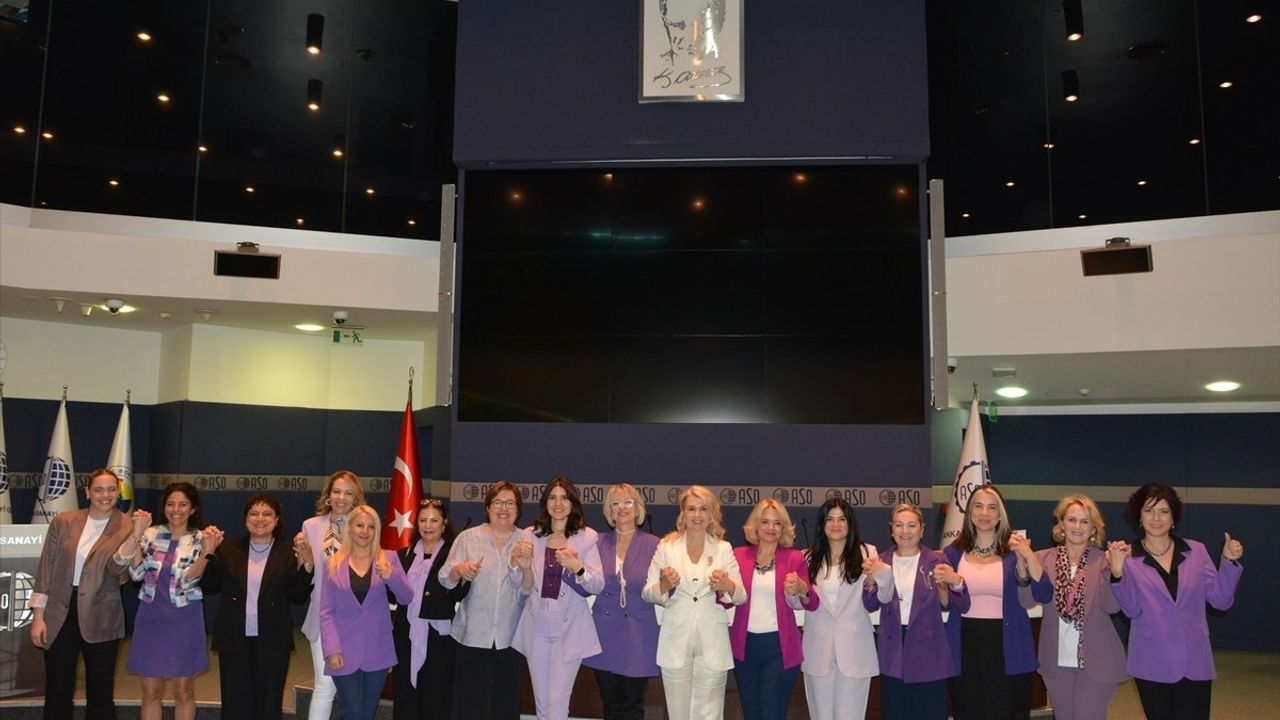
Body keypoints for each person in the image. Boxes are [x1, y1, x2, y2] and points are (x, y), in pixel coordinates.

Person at [1107, 482, 1243, 720]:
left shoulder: (1196, 551)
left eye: (1163, 511)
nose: (1156, 518)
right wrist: (1117, 573)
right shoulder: (1127, 557)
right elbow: (1131, 610)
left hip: (1195, 660)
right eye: (1148, 511)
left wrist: (1228, 561)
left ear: (1173, 518)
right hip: (1151, 662)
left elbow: (1220, 601)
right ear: (1139, 516)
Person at [30, 468, 134, 720]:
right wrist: (38, 616)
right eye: (98, 490)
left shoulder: (128, 525)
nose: (105, 495)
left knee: (100, 690)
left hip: (102, 615)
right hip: (60, 612)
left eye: (111, 489)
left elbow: (117, 569)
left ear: (118, 493)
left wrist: (137, 534)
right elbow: (46, 569)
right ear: (87, 492)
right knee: (58, 687)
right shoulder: (64, 522)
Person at [944, 484, 1051, 720]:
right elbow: (946, 603)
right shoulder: (953, 553)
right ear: (969, 513)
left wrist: (1027, 554)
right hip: (965, 645)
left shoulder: (1014, 551)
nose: (985, 513)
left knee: (1006, 711)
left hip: (1008, 645)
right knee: (968, 711)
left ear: (1001, 514)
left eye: (992, 508)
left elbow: (1043, 593)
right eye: (978, 506)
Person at [203, 494, 314, 720]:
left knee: (269, 704)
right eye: (254, 513)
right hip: (233, 638)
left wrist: (308, 564)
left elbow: (298, 595)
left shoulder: (288, 552)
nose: (260, 518)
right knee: (234, 704)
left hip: (273, 640)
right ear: (246, 519)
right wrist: (209, 551)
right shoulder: (228, 549)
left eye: (267, 514)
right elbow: (210, 586)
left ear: (276, 520)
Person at [642, 485, 746, 720]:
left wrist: (728, 585)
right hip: (675, 642)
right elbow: (648, 592)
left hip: (713, 643)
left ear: (712, 514)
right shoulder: (666, 547)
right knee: (678, 714)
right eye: (691, 509)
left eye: (703, 509)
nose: (697, 515)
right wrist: (664, 585)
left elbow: (741, 596)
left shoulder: (723, 548)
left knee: (709, 714)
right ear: (683, 513)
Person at [125, 482, 224, 720]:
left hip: (185, 620)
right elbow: (136, 574)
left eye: (182, 504)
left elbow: (188, 581)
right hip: (150, 619)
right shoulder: (149, 534)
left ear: (192, 509)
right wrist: (136, 533)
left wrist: (207, 553)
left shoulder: (202, 539)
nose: (175, 510)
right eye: (170, 504)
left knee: (183, 690)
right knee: (150, 692)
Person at [862, 502, 968, 720]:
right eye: (899, 525)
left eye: (911, 525)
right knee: (896, 713)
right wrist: (871, 581)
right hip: (893, 650)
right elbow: (870, 605)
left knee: (930, 713)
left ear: (922, 529)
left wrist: (950, 584)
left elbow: (951, 604)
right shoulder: (881, 561)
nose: (905, 531)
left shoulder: (937, 560)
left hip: (929, 651)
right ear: (891, 529)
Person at [511, 476, 605, 720]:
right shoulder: (531, 535)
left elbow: (597, 585)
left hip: (569, 626)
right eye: (552, 497)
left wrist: (578, 567)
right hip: (536, 624)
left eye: (564, 498)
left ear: (573, 503)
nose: (558, 503)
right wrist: (520, 566)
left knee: (557, 701)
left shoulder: (586, 537)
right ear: (545, 502)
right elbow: (522, 585)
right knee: (542, 703)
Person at [439, 481, 528, 720]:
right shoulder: (469, 538)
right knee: (471, 707)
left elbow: (531, 588)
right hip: (472, 636)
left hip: (510, 638)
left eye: (510, 503)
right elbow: (444, 578)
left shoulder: (526, 541)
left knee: (505, 707)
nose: (503, 508)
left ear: (518, 509)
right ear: (488, 507)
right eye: (497, 502)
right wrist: (459, 570)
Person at [1034, 495, 1127, 720]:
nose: (1078, 526)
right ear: (1062, 524)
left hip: (1097, 662)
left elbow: (1112, 607)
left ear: (1094, 529)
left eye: (1085, 521)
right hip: (1056, 661)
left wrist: (1116, 573)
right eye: (1072, 519)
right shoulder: (1041, 559)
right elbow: (1027, 600)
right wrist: (1021, 565)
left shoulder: (1104, 561)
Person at [319, 504, 413, 720]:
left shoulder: (388, 558)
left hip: (378, 650)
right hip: (342, 650)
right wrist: (331, 649)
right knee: (353, 712)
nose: (365, 531)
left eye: (371, 526)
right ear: (349, 528)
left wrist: (392, 576)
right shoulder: (332, 563)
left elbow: (406, 597)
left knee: (368, 712)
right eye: (360, 525)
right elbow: (326, 611)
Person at [728, 499, 817, 720]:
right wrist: (725, 587)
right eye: (765, 521)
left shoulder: (794, 558)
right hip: (745, 648)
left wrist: (802, 588)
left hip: (780, 648)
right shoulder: (738, 556)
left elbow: (812, 602)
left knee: (772, 713)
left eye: (777, 523)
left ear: (784, 528)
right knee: (752, 713)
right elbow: (726, 601)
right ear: (755, 525)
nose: (771, 527)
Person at [583, 483, 661, 720]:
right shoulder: (597, 542)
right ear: (609, 511)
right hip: (605, 633)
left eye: (628, 502)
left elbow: (664, 588)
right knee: (611, 705)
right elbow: (585, 583)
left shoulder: (654, 544)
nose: (621, 508)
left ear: (638, 508)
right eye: (615, 503)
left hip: (639, 635)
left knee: (633, 706)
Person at [799, 498, 879, 720]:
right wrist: (798, 591)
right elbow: (797, 602)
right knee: (820, 715)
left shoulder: (867, 552)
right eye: (830, 519)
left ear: (850, 523)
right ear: (822, 524)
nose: (836, 524)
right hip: (818, 649)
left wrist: (873, 583)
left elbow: (879, 595)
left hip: (855, 649)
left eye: (842, 519)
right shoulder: (806, 557)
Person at [297, 469, 366, 720]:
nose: (341, 498)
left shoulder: (364, 526)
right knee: (325, 685)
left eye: (348, 493)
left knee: (353, 687)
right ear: (328, 495)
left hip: (355, 617)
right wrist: (305, 559)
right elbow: (306, 571)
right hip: (322, 613)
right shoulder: (311, 526)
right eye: (337, 491)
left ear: (356, 498)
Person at [392, 499, 467, 720]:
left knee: (437, 696)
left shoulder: (454, 556)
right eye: (423, 520)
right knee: (406, 696)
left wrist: (461, 575)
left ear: (444, 524)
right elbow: (393, 596)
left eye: (434, 520)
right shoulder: (402, 555)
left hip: (439, 640)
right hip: (405, 636)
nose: (428, 525)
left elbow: (459, 594)